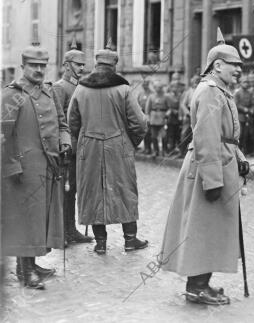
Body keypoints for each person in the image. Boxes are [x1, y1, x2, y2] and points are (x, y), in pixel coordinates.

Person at [160, 27, 249, 305]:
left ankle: (202, 283)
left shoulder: (221, 90)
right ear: (218, 65)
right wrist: (212, 180)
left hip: (221, 163)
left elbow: (226, 136)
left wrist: (240, 158)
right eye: (234, 65)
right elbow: (207, 139)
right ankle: (196, 287)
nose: (239, 71)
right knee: (202, 228)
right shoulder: (210, 92)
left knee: (210, 228)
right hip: (208, 168)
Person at [1, 43, 71, 289]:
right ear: (23, 67)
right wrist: (11, 166)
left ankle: (31, 264)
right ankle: (24, 271)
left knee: (39, 216)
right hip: (23, 169)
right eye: (34, 66)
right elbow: (3, 134)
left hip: (48, 165)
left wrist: (65, 143)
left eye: (43, 65)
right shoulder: (12, 94)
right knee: (25, 217)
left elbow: (63, 125)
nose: (39, 70)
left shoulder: (50, 93)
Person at [68, 43, 148, 255]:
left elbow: (72, 122)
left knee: (92, 191)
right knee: (125, 189)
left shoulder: (80, 88)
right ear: (114, 66)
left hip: (89, 148)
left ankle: (100, 243)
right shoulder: (123, 89)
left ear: (95, 64)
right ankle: (130, 240)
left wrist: (83, 140)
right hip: (119, 147)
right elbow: (139, 123)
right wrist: (132, 141)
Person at [52, 38, 93, 245]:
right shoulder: (60, 88)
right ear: (67, 66)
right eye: (78, 65)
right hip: (65, 150)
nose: (82, 69)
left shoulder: (81, 87)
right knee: (63, 191)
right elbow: (58, 121)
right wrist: (63, 146)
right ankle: (60, 233)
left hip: (79, 149)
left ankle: (71, 229)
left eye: (84, 65)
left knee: (73, 190)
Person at [145, 81, 169, 157]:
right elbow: (147, 109)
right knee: (153, 136)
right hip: (153, 117)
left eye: (160, 87)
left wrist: (167, 115)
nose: (158, 89)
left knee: (164, 135)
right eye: (157, 87)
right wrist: (148, 117)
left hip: (162, 117)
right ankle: (155, 151)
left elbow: (169, 108)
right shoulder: (151, 96)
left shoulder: (165, 96)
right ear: (154, 88)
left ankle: (165, 151)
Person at [234, 75, 254, 155]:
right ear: (240, 83)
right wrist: (244, 109)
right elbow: (236, 104)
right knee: (240, 134)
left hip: (248, 116)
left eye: (247, 82)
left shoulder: (250, 93)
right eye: (244, 82)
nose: (246, 84)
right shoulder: (237, 93)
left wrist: (252, 109)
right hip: (240, 116)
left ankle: (247, 150)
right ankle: (238, 151)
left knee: (249, 134)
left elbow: (253, 103)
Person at [179, 76, 200, 157]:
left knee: (196, 134)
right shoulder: (188, 92)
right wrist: (187, 113)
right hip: (189, 114)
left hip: (198, 113)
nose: (196, 83)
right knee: (185, 133)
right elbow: (182, 104)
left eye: (198, 81)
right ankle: (182, 152)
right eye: (195, 81)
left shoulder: (202, 91)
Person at [135, 77, 153, 154]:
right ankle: (145, 148)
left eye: (146, 84)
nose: (144, 85)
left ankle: (149, 148)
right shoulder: (140, 93)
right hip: (142, 115)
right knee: (144, 132)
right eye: (143, 84)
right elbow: (137, 103)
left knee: (149, 132)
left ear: (148, 84)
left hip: (149, 114)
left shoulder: (151, 93)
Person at [165, 80, 184, 155]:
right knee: (170, 134)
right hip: (170, 117)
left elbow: (181, 105)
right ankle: (170, 149)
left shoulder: (180, 95)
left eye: (177, 87)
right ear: (171, 87)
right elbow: (165, 106)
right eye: (174, 87)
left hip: (178, 116)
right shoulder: (167, 95)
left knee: (178, 134)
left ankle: (177, 149)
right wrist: (171, 110)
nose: (175, 88)